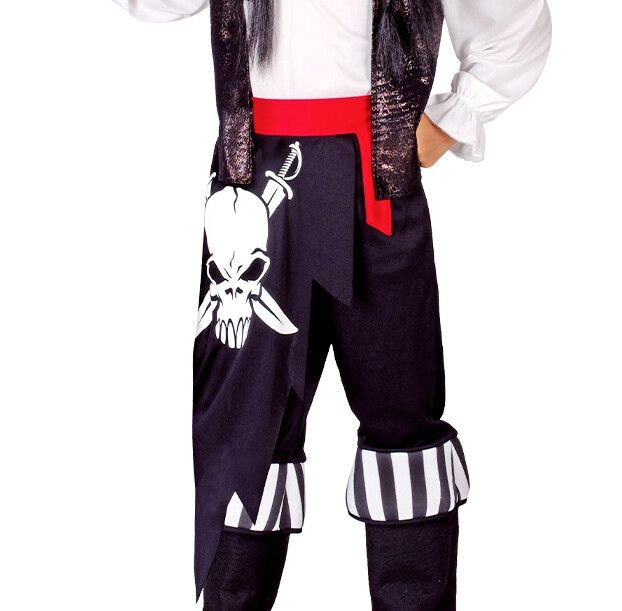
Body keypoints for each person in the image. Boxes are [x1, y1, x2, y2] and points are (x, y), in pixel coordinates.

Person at [114, 1, 552, 608]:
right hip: (252, 200)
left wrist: (455, 118)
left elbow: (512, 22)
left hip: (378, 182)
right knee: (247, 421)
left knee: (402, 416)